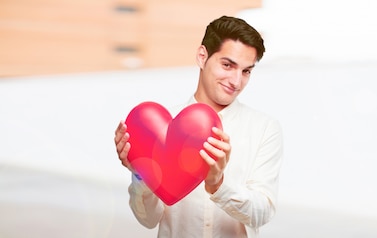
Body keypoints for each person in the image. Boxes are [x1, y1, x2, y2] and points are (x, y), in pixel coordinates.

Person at [113, 16, 283, 238]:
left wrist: (218, 184)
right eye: (227, 65)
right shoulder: (160, 128)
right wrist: (141, 173)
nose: (236, 81)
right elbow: (148, 219)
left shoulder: (264, 128)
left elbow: (263, 212)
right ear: (202, 57)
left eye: (246, 71)